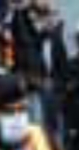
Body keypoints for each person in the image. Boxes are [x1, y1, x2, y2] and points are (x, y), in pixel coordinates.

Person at [8, 0, 68, 129]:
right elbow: (24, 48)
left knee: (55, 127)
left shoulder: (55, 38)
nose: (48, 22)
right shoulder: (23, 27)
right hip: (32, 87)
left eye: (51, 18)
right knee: (36, 124)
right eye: (44, 20)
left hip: (53, 91)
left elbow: (62, 67)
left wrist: (57, 85)